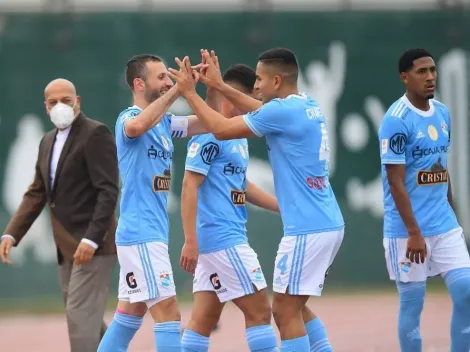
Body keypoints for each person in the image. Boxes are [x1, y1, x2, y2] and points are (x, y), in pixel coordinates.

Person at [169, 48, 344, 352]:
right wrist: (218, 87)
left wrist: (189, 92)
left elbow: (224, 128)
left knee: (282, 311)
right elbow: (191, 182)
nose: (258, 87)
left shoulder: (270, 116)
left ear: (277, 80)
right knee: (218, 315)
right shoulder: (305, 104)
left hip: (307, 228)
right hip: (305, 224)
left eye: (261, 80)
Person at [97, 54, 210, 352]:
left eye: (168, 77)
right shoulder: (128, 117)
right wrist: (178, 91)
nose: (168, 81)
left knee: (129, 316)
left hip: (151, 235)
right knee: (169, 312)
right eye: (161, 77)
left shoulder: (167, 124)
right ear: (138, 83)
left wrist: (213, 86)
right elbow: (136, 128)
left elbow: (208, 124)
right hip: (140, 234)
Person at [0, 78, 119, 352]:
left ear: (78, 101)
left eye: (66, 100)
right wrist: (11, 233)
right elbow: (37, 192)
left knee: (79, 317)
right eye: (53, 102)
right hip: (65, 246)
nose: (59, 106)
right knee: (84, 318)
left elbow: (108, 192)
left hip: (94, 245)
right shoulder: (47, 141)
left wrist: (91, 239)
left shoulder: (95, 133)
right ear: (45, 107)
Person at [180, 63, 279, 352]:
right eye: (249, 99)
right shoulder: (211, 134)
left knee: (203, 320)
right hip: (223, 240)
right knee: (260, 312)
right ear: (231, 96)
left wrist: (280, 206)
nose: (254, 107)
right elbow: (189, 184)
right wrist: (189, 240)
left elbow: (240, 185)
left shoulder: (236, 134)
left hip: (221, 241)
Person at [378, 48, 470, 352]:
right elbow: (395, 181)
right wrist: (414, 233)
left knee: (466, 293)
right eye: (421, 72)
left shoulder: (442, 113)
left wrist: (451, 211)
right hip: (407, 232)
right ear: (405, 77)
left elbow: (440, 167)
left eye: (432, 70)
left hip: (444, 225)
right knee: (412, 305)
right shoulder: (396, 120)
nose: (430, 77)